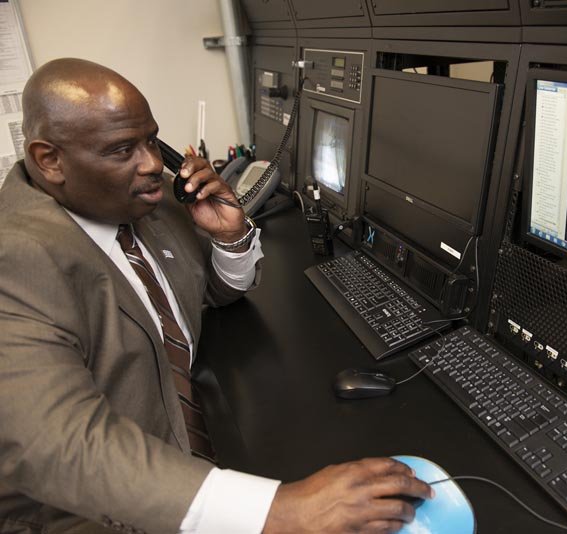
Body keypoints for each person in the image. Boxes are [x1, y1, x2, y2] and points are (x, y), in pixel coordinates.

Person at [0, 58, 431, 534]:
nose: (150, 163)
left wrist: (228, 236)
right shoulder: (16, 258)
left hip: (189, 447)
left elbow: (205, 294)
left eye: (151, 140)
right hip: (93, 508)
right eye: (123, 149)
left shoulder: (150, 201)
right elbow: (59, 446)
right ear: (49, 161)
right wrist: (281, 511)